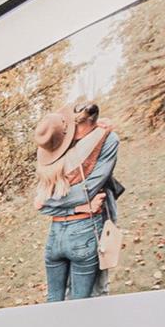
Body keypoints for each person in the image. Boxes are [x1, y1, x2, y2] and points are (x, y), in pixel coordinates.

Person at [34, 101, 122, 302]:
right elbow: (85, 192)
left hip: (61, 231)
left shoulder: (100, 140)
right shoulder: (57, 148)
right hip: (81, 229)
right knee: (81, 302)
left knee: (59, 299)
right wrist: (79, 207)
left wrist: (48, 202)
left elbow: (40, 203)